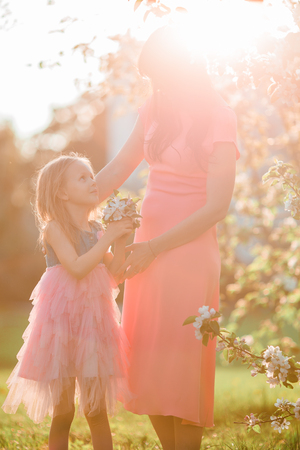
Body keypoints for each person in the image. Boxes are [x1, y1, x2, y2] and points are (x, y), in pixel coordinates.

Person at [95, 26, 240, 450]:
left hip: (186, 254)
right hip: (145, 252)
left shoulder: (220, 116)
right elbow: (119, 167)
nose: (158, 86)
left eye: (162, 75)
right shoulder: (154, 108)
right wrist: (67, 202)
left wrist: (154, 248)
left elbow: (217, 206)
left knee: (182, 366)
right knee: (147, 362)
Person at [2, 154, 133, 450]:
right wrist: (107, 238)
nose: (92, 182)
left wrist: (120, 240)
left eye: (92, 176)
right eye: (82, 177)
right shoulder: (54, 229)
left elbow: (115, 275)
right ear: (62, 192)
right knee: (63, 412)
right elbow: (75, 267)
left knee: (96, 412)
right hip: (60, 328)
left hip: (93, 328)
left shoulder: (97, 230)